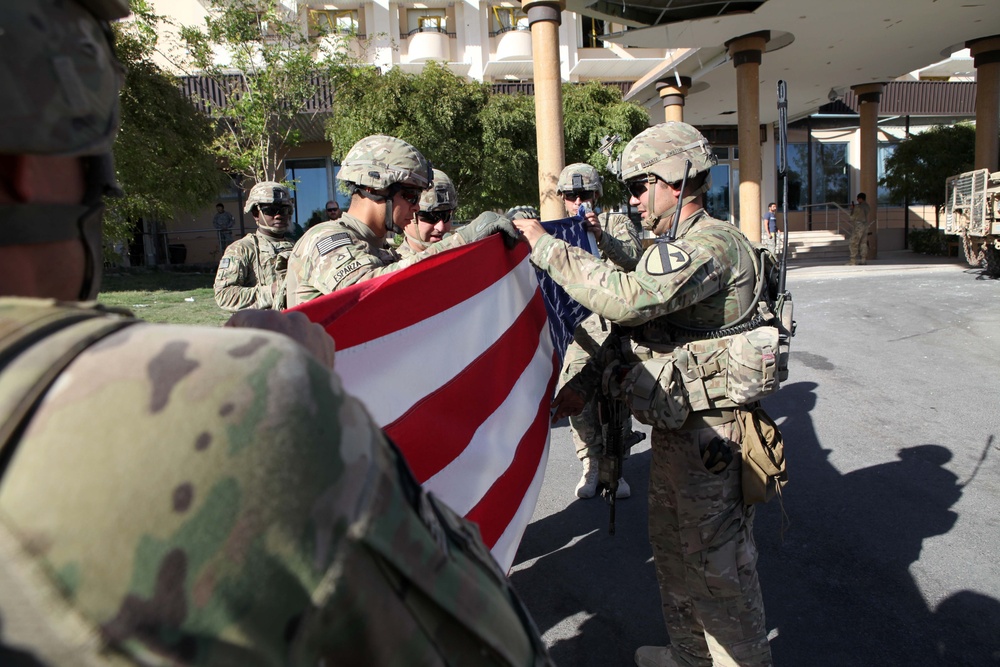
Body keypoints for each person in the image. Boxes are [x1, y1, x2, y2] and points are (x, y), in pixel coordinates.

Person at [0, 3, 553, 665]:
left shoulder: (343, 240)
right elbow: (382, 303)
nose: (417, 212)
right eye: (410, 195)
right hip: (316, 434)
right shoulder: (330, 243)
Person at [513, 122, 774, 667]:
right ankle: (689, 656)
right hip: (679, 430)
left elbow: (628, 300)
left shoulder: (712, 245)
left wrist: (545, 247)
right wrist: (584, 385)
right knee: (675, 555)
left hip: (714, 436)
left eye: (641, 185)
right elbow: (640, 334)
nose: (633, 198)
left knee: (720, 572)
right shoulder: (674, 245)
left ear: (676, 180)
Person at [283, 134, 518, 307]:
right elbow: (371, 292)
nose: (416, 206)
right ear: (372, 188)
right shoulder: (325, 239)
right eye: (410, 195)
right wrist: (463, 240)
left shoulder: (378, 248)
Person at [556, 163, 643, 500]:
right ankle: (591, 464)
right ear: (563, 199)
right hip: (580, 334)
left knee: (619, 401)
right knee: (579, 401)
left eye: (586, 194)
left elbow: (634, 261)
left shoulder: (616, 223)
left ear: (597, 195)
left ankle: (616, 469)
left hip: (616, 331)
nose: (579, 201)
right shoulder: (559, 231)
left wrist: (601, 237)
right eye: (572, 195)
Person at [213, 181, 294, 311]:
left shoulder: (298, 247)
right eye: (271, 210)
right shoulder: (242, 249)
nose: (278, 216)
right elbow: (224, 295)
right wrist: (272, 291)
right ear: (256, 214)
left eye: (284, 210)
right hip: (259, 326)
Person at [397, 170, 458, 259]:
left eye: (446, 216)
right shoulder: (393, 268)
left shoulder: (457, 258)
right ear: (407, 216)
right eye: (430, 217)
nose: (440, 227)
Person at [848, 192, 872, 265]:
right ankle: (863, 259)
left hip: (858, 226)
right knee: (863, 243)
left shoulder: (858, 207)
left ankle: (853, 260)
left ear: (861, 199)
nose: (857, 200)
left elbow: (852, 218)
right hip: (865, 226)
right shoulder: (867, 206)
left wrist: (852, 209)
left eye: (858, 199)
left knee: (853, 242)